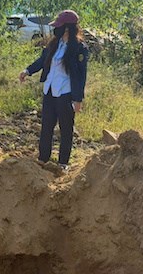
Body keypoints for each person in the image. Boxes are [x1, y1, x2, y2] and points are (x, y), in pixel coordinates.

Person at [19, 10, 89, 170]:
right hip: (50, 90)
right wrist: (27, 71)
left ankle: (63, 163)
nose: (56, 29)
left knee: (66, 129)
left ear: (67, 28)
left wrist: (78, 99)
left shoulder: (79, 48)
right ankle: (43, 159)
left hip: (65, 93)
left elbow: (81, 76)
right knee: (46, 127)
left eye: (59, 26)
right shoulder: (54, 44)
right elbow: (42, 61)